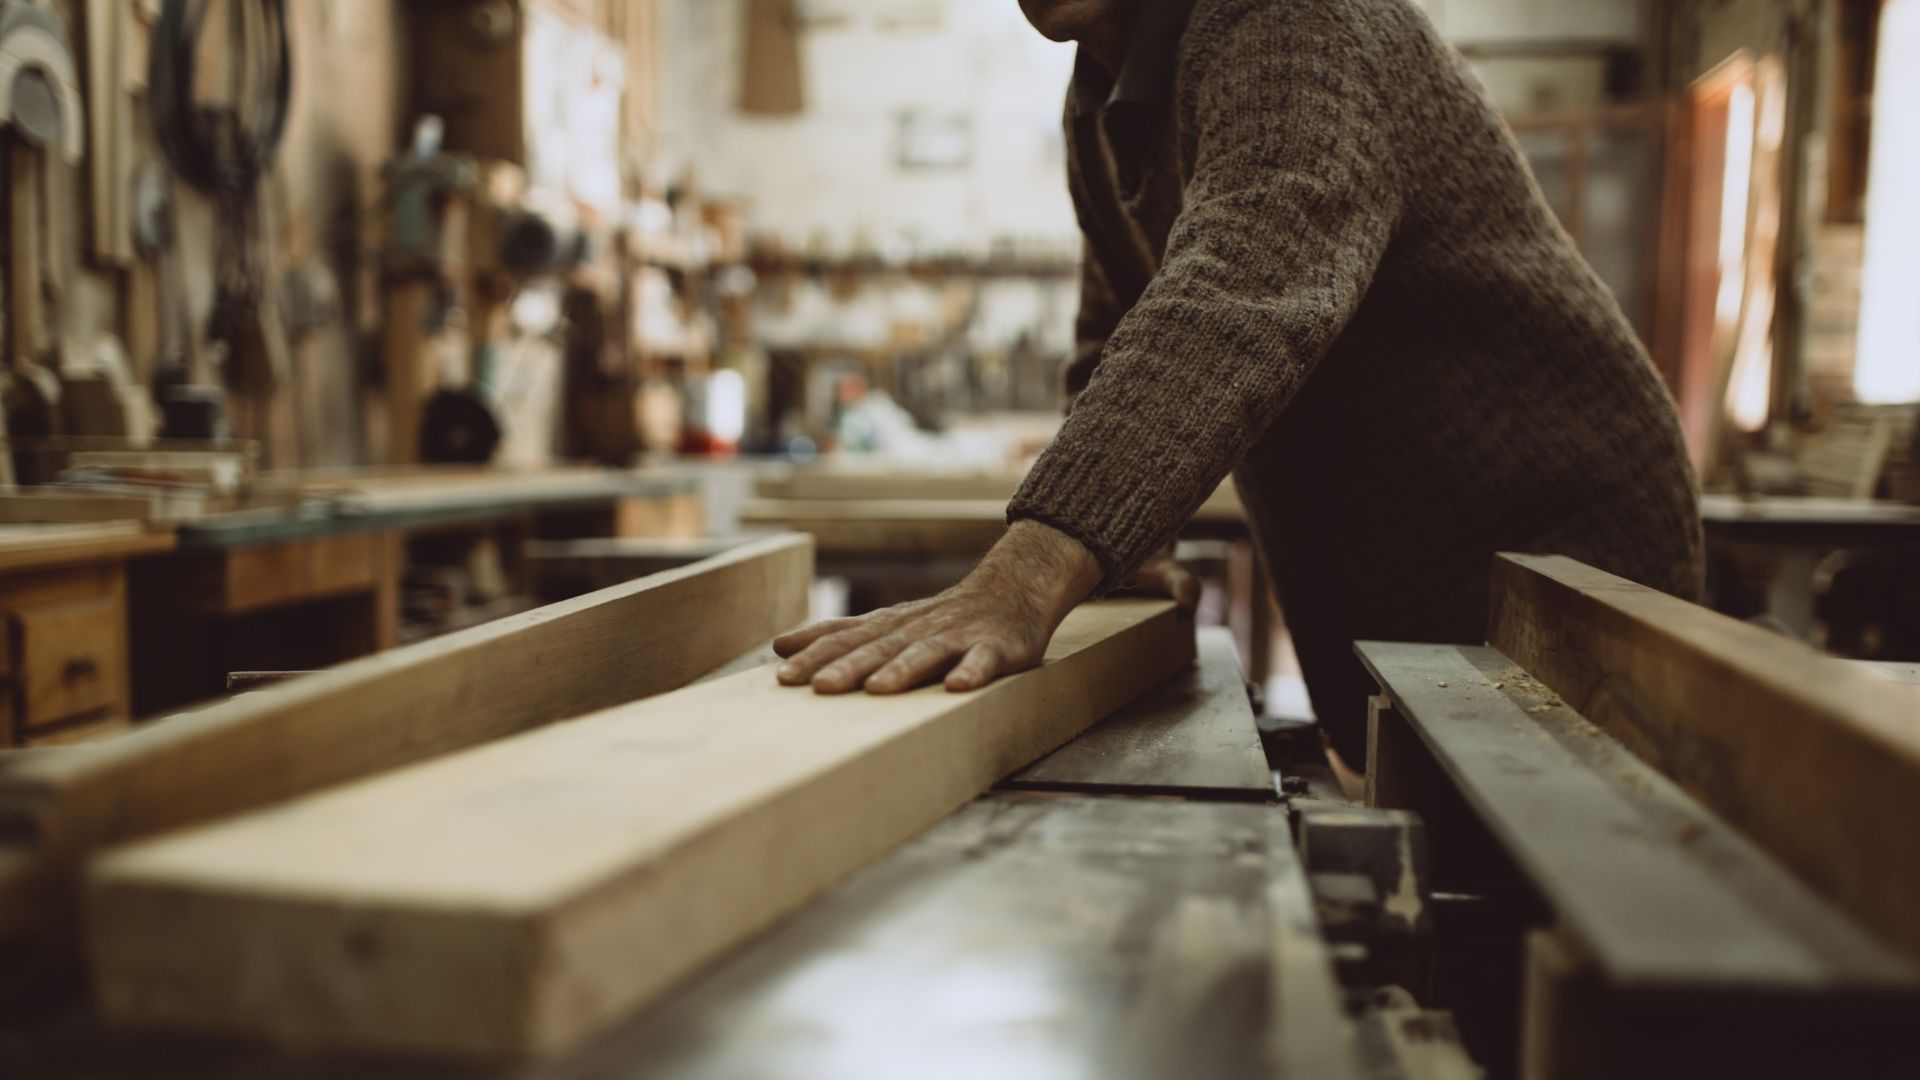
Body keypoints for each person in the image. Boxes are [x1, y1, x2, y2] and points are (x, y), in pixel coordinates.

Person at [772, 0, 1704, 770]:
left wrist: (1030, 572)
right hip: (1405, 602)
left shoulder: (1297, 18)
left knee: (1552, 923)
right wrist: (1122, 552)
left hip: (1558, 568)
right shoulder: (1105, 89)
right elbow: (1116, 331)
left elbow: (1249, 285)